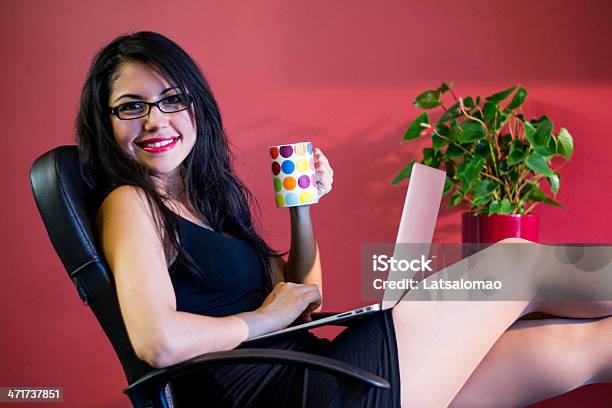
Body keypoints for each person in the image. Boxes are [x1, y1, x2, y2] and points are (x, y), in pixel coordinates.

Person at [76, 31, 612, 407]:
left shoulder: (206, 203)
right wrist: (261, 320)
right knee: (516, 263)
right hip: (307, 394)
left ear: (197, 108)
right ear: (106, 120)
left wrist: (301, 208)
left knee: (581, 348)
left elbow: (304, 299)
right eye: (131, 106)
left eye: (172, 100)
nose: (155, 120)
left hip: (324, 371)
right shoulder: (130, 203)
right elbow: (158, 343)